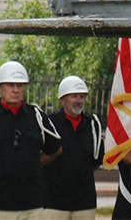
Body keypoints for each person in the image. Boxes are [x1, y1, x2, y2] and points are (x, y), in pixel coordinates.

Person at [0, 60, 62, 219]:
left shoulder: (36, 116)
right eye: (10, 85)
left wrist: (31, 164)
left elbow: (55, 148)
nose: (15, 90)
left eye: (20, 85)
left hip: (31, 205)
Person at [43, 76, 104, 220]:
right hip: (53, 202)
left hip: (84, 202)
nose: (78, 100)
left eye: (82, 96)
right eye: (74, 96)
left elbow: (96, 159)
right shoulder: (49, 124)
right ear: (62, 99)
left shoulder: (93, 125)